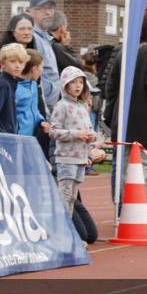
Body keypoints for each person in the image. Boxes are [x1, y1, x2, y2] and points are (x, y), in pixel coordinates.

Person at [104, 10, 147, 236]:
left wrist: (111, 117)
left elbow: (110, 89)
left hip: (125, 124)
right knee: (146, 172)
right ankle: (146, 215)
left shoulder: (124, 53)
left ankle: (128, 213)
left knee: (127, 172)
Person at [50, 65, 96, 216]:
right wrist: (75, 134)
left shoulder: (82, 107)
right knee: (65, 195)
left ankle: (67, 230)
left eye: (80, 82)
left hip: (80, 158)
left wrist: (91, 139)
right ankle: (61, 229)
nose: (78, 86)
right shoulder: (61, 106)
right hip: (66, 158)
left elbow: (89, 129)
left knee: (72, 197)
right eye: (73, 82)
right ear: (65, 84)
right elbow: (54, 131)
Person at [26, 0, 61, 109]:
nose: (48, 12)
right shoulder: (32, 38)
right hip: (39, 106)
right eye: (42, 9)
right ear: (31, 12)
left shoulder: (46, 39)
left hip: (49, 106)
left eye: (51, 9)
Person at [0, 43, 29, 133]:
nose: (17, 66)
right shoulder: (3, 84)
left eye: (21, 62)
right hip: (0, 140)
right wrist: (5, 135)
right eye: (12, 61)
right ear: (3, 64)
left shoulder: (12, 82)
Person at [15, 50, 51, 139]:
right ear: (34, 69)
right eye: (41, 67)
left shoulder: (33, 85)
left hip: (30, 137)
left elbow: (34, 109)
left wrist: (41, 121)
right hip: (17, 138)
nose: (42, 71)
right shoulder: (14, 88)